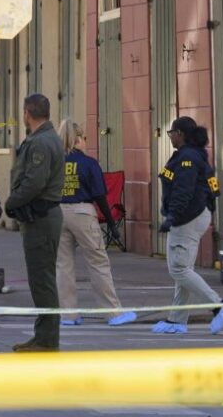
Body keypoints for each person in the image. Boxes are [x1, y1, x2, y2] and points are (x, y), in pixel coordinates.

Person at [55, 118, 138, 327]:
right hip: (82, 212)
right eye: (84, 138)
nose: (86, 142)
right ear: (77, 140)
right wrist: (111, 224)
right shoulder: (88, 163)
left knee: (63, 265)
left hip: (57, 213)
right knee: (98, 262)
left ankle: (68, 315)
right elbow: (101, 196)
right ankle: (112, 313)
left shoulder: (54, 162)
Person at [155, 117, 223, 335]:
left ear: (180, 133)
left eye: (171, 133)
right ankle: (176, 320)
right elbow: (213, 186)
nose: (170, 137)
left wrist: (172, 216)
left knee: (178, 268)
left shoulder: (187, 158)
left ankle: (218, 305)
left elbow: (183, 190)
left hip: (186, 218)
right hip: (194, 215)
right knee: (184, 269)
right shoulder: (195, 155)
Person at [5, 93, 65, 352]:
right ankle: (43, 335)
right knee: (41, 278)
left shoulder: (41, 142)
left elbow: (34, 182)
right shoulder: (44, 139)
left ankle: (46, 339)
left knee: (42, 280)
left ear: (27, 113)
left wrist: (12, 202)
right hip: (40, 216)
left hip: (41, 217)